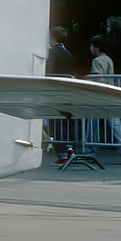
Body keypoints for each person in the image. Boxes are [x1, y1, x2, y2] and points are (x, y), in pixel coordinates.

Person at [86, 35, 121, 164]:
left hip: (98, 97)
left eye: (91, 46)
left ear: (97, 47)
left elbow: (99, 80)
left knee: (92, 124)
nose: (90, 49)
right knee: (115, 124)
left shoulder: (96, 61)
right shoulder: (108, 59)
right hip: (109, 95)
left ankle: (89, 151)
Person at [47, 27, 76, 160]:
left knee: (55, 122)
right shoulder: (69, 54)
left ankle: (63, 153)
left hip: (54, 91)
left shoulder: (52, 53)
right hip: (67, 91)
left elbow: (48, 71)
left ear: (52, 37)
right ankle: (69, 148)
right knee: (64, 121)